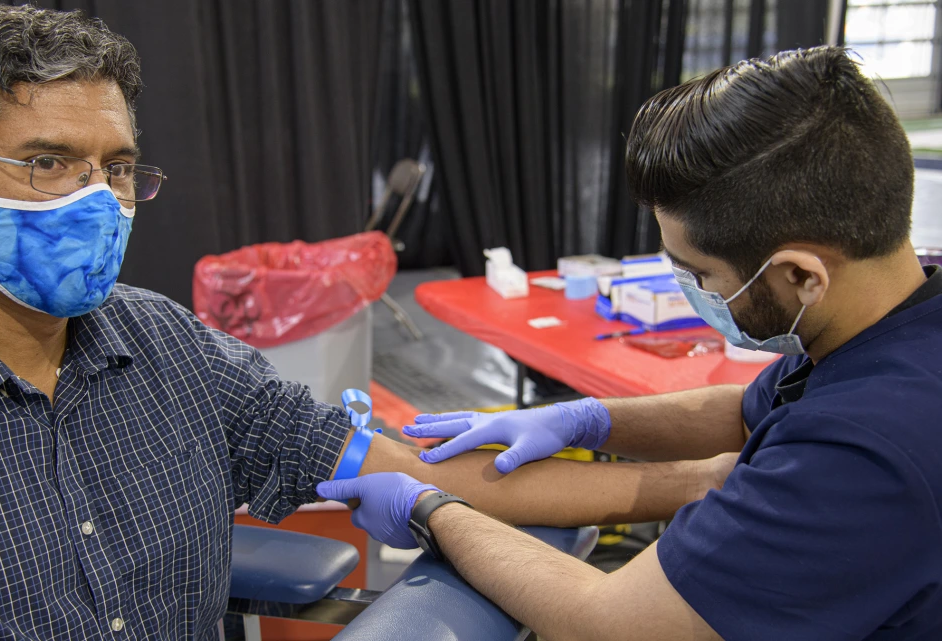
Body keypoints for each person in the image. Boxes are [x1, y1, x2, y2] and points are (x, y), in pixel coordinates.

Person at [0, 6, 735, 639]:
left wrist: (717, 482)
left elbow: (420, 471)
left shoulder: (167, 350)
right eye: (49, 164)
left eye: (117, 168)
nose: (98, 202)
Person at [318, 46, 942, 640]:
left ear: (802, 275)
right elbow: (745, 411)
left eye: (698, 274)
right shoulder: (886, 322)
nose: (692, 291)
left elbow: (612, 624)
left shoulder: (868, 451)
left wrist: (433, 510)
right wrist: (583, 420)